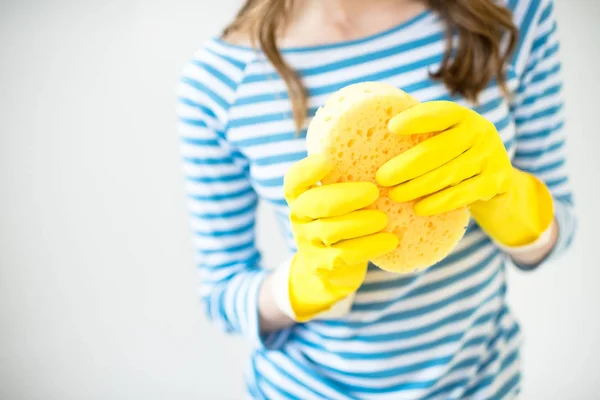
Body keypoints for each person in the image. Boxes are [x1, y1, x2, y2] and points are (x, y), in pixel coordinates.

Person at [176, 0, 576, 398]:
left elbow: (562, 229)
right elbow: (222, 292)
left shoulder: (510, 15)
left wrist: (506, 195)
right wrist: (304, 285)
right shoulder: (219, 81)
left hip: (482, 384)